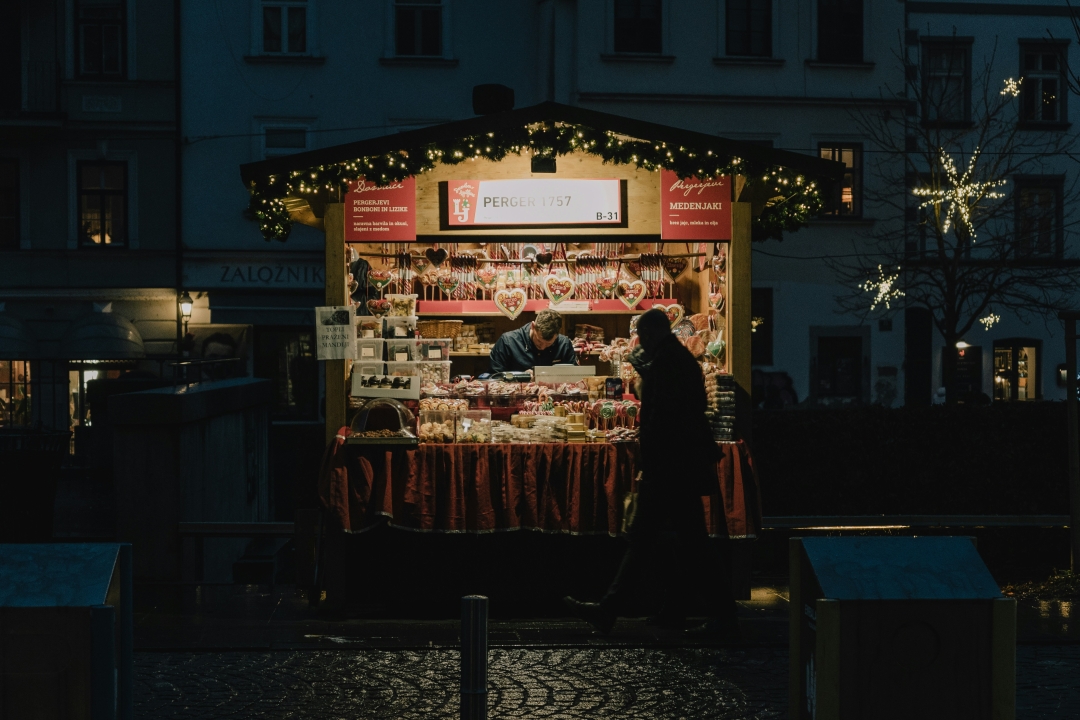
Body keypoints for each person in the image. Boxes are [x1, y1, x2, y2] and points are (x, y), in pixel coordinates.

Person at [563, 308, 740, 639]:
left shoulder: (669, 363)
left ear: (655, 333)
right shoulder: (673, 359)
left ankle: (613, 610)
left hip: (672, 467)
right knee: (680, 542)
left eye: (643, 336)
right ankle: (678, 611)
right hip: (677, 466)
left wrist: (649, 466)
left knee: (658, 540)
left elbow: (663, 420)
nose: (640, 342)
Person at [488, 308, 577, 373]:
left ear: (557, 335)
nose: (542, 347)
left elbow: (574, 376)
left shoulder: (564, 344)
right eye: (539, 341)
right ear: (533, 326)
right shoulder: (507, 342)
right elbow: (495, 378)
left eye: (549, 344)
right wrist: (521, 377)